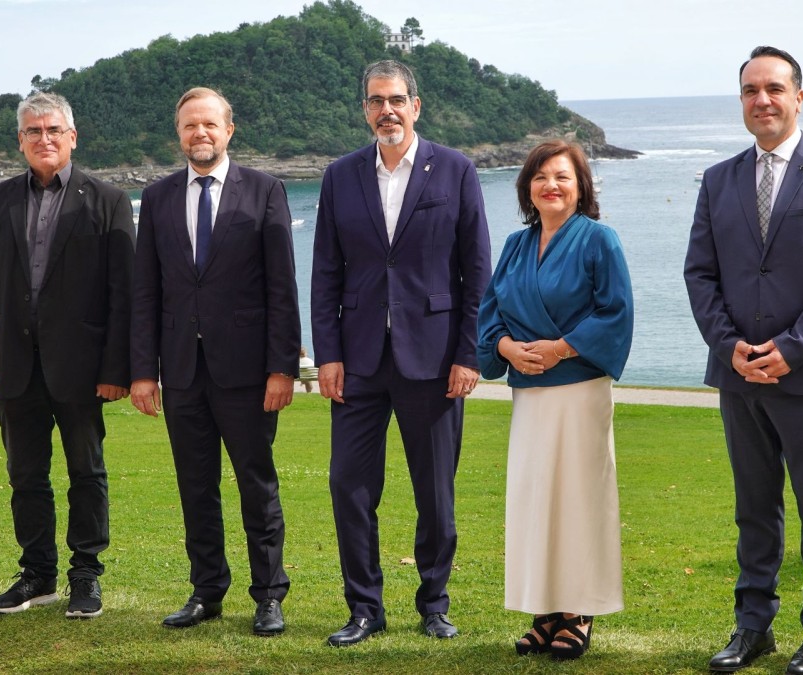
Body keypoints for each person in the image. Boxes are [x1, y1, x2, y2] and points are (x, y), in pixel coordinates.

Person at [684, 46, 803, 675]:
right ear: (741, 101)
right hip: (740, 375)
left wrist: (790, 349)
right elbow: (700, 273)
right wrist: (728, 345)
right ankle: (752, 627)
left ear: (798, 97)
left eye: (773, 88)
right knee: (753, 507)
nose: (761, 100)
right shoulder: (718, 179)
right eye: (749, 91)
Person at [310, 59, 492, 647]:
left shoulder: (457, 171)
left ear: (416, 104)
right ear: (364, 108)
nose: (385, 109)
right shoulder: (339, 176)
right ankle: (364, 608)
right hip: (358, 359)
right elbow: (324, 274)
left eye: (395, 99)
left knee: (435, 494)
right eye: (374, 100)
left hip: (435, 359)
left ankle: (433, 603)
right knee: (349, 488)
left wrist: (469, 354)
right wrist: (327, 354)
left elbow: (476, 273)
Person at [129, 87, 301, 637]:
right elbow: (146, 292)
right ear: (178, 134)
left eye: (208, 124)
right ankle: (207, 591)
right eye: (188, 126)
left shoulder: (265, 190)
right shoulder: (156, 199)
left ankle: (269, 595)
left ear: (229, 129)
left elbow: (282, 288)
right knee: (195, 486)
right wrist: (141, 370)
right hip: (181, 371)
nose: (199, 134)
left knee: (257, 484)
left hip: (249, 372)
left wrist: (283, 367)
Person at [0, 92, 135, 619]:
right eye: (34, 132)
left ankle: (86, 576)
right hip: (14, 368)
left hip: (82, 370)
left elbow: (122, 296)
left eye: (54, 130)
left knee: (88, 473)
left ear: (72, 137)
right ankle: (37, 575)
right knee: (25, 477)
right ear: (20, 141)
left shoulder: (107, 200)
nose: (45, 139)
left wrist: (117, 370)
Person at [477, 140, 633, 661]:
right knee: (534, 499)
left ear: (581, 186)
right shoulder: (516, 246)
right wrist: (505, 349)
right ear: (527, 188)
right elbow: (489, 310)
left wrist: (561, 347)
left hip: (580, 390)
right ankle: (543, 612)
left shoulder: (599, 241)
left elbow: (616, 313)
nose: (551, 185)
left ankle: (578, 611)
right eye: (541, 177)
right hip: (530, 395)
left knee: (578, 499)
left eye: (563, 177)